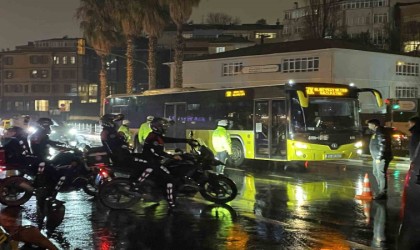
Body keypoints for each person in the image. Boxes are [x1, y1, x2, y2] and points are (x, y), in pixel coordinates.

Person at [140, 117, 198, 208]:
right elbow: (156, 152)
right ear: (157, 127)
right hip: (153, 162)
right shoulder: (154, 137)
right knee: (170, 179)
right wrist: (171, 156)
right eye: (163, 126)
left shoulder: (156, 135)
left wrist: (186, 140)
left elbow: (169, 139)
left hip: (154, 161)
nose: (165, 128)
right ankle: (171, 203)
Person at [367, 119, 393, 200]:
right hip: (376, 157)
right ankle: (380, 190)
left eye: (369, 125)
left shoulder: (380, 131)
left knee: (381, 174)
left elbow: (383, 145)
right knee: (375, 172)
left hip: (380, 157)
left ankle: (382, 193)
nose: (368, 126)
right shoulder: (376, 131)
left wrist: (379, 157)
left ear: (374, 125)